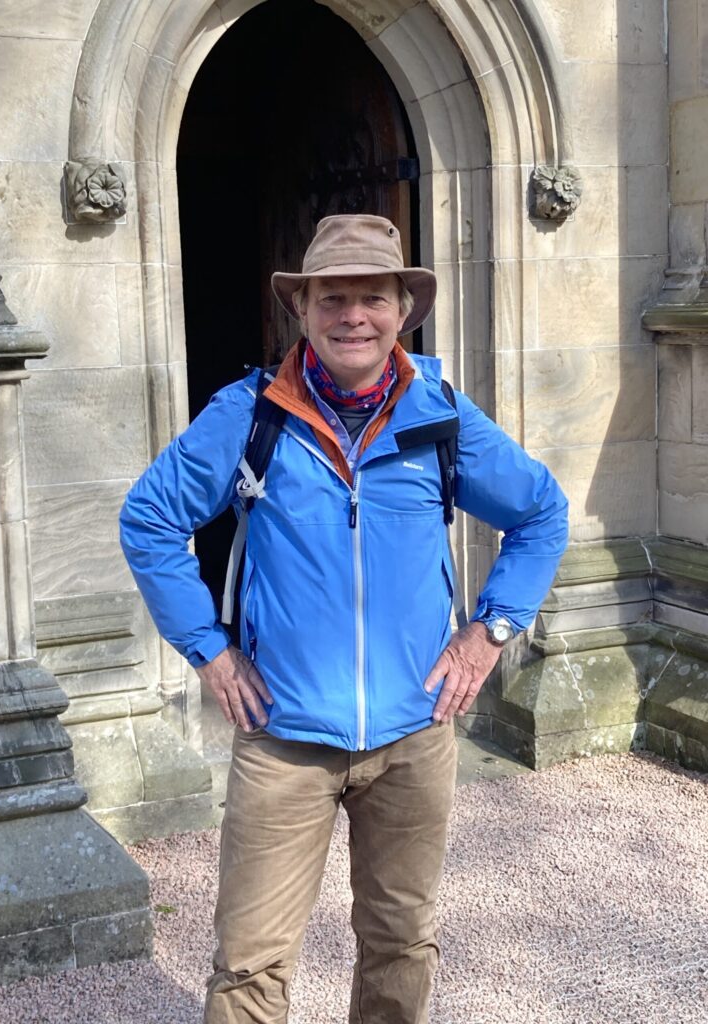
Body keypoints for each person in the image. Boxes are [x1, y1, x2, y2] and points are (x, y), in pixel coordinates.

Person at [119, 214, 568, 1024]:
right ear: (304, 309)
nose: (351, 316)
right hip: (285, 739)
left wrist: (491, 628)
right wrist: (209, 653)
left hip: (414, 734)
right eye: (332, 297)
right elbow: (149, 519)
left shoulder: (439, 418)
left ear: (403, 310)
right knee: (251, 963)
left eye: (371, 297)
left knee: (400, 945)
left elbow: (541, 512)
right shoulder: (251, 414)